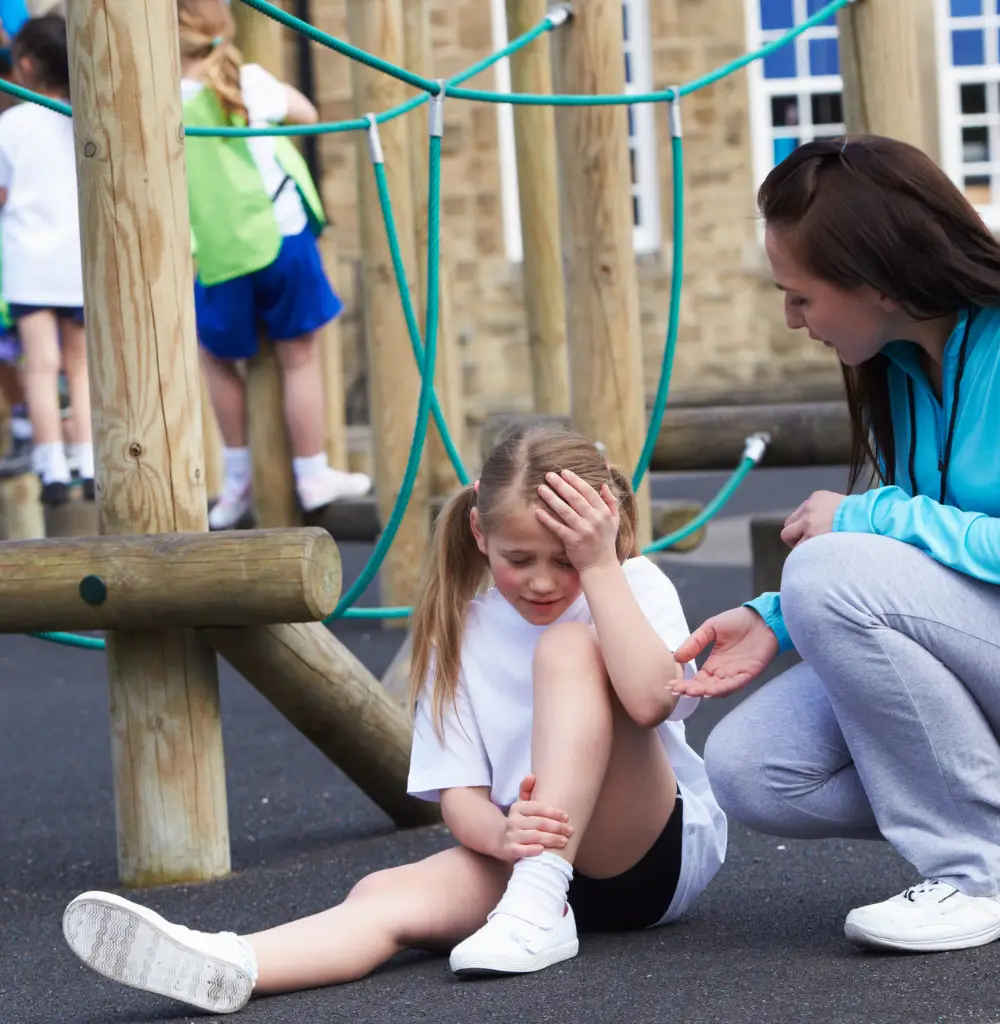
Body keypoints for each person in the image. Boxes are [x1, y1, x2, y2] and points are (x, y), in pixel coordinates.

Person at [59, 424, 727, 1014]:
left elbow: (650, 701)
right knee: (383, 894)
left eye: (566, 560)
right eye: (520, 559)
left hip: (640, 857)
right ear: (479, 532)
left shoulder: (631, 584)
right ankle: (230, 962)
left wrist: (602, 564)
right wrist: (502, 836)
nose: (545, 582)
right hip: (521, 861)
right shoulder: (460, 630)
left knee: (569, 648)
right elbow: (460, 798)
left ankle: (542, 901)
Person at [669, 134, 1000, 955]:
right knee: (754, 767)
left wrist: (874, 519)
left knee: (830, 561)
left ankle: (991, 867)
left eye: (800, 297)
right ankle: (995, 839)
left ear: (877, 283)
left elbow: (876, 544)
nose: (792, 320)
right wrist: (775, 617)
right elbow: (916, 573)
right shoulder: (901, 367)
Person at [178, 0, 370, 529]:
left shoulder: (162, 98)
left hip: (219, 250)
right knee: (299, 357)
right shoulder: (247, 78)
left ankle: (237, 475)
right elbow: (307, 114)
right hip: (282, 234)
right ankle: (312, 471)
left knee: (217, 359)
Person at [0, 14, 92, 504]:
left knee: (40, 366)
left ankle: (51, 464)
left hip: (30, 262)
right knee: (78, 365)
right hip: (73, 260)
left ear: (26, 65)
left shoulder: (11, 125)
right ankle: (87, 456)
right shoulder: (83, 118)